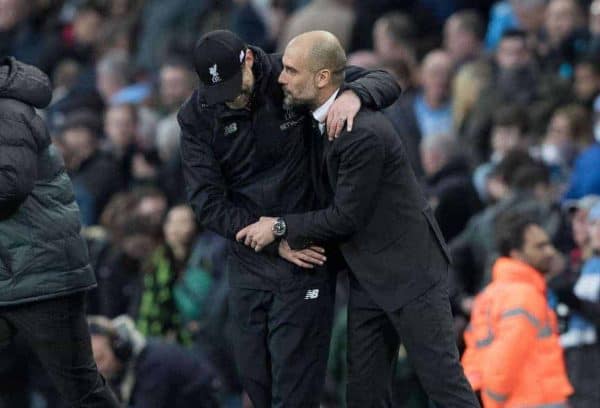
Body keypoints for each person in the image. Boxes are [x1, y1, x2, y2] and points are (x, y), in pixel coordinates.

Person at [237, 31, 479, 408]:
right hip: (367, 275)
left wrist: (280, 226)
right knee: (365, 393)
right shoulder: (311, 106)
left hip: (411, 273)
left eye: (290, 70)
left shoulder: (361, 133)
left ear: (321, 79)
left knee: (443, 384)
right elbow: (377, 79)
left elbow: (345, 217)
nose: (281, 78)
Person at [178, 29, 400, 407]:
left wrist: (354, 95)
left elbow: (386, 80)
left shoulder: (291, 72)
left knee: (295, 392)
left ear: (248, 58)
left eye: (235, 84)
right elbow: (207, 202)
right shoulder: (197, 115)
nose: (231, 97)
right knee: (257, 386)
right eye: (220, 91)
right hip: (250, 258)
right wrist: (267, 237)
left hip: (305, 253)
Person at [0, 56, 119, 406]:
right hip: (13, 273)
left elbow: (10, 187)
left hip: (43, 275)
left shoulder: (6, 111)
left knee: (82, 391)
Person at [462, 213, 573, 407]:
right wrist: (494, 400)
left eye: (548, 244)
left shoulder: (488, 295)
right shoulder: (525, 295)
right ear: (516, 254)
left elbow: (473, 355)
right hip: (532, 400)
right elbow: (506, 355)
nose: (550, 251)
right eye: (540, 246)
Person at [89, 315, 220, 407]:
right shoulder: (131, 367)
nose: (99, 369)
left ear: (120, 349)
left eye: (101, 358)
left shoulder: (152, 365)